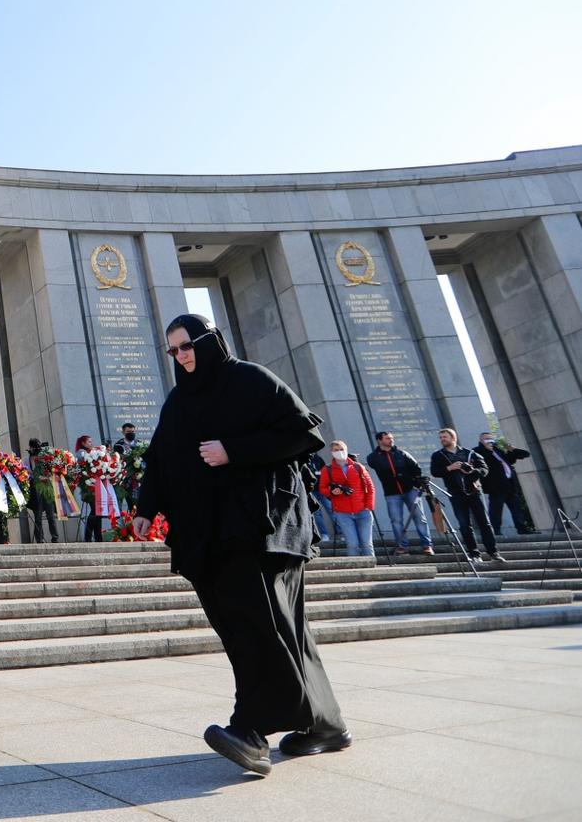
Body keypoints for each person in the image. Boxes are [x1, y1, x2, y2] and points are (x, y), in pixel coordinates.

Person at [134, 313, 348, 776]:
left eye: (186, 346)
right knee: (276, 627)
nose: (181, 356)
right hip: (211, 534)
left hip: (264, 528)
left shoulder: (251, 380)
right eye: (172, 350)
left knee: (254, 624)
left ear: (209, 341)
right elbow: (161, 460)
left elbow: (304, 433)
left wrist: (234, 450)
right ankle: (327, 725)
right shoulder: (179, 401)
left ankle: (251, 730)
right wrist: (144, 508)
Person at [431, 428, 503, 562]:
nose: (442, 440)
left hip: (474, 491)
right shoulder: (438, 455)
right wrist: (449, 468)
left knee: (485, 523)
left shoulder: (469, 453)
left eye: (445, 437)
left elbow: (484, 469)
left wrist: (472, 471)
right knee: (464, 524)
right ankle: (474, 554)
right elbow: (434, 472)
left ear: (453, 438)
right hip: (455, 492)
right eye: (441, 437)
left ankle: (493, 552)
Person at [365, 431, 434, 556]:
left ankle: (427, 545)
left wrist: (417, 483)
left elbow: (416, 467)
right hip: (391, 493)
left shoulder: (402, 454)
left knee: (420, 518)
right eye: (387, 438)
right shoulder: (374, 457)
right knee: (396, 520)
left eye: (392, 438)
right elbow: (374, 464)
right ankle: (402, 546)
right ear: (380, 440)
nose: (391, 440)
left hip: (410, 490)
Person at [318, 442, 375, 557]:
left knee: (367, 544)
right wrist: (332, 492)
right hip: (342, 512)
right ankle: (354, 569)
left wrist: (369, 505)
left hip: (363, 510)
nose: (339, 451)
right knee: (352, 544)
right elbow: (322, 489)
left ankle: (371, 571)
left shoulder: (358, 467)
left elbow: (370, 487)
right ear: (332, 452)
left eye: (341, 449)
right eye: (336, 450)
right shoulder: (327, 469)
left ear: (346, 449)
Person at [475, 432, 530, 536]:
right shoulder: (478, 451)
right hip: (495, 486)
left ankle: (522, 528)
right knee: (496, 510)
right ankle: (495, 530)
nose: (489, 441)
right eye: (487, 439)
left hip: (510, 484)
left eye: (491, 439)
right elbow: (480, 464)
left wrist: (511, 450)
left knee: (516, 508)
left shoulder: (498, 450)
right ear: (481, 440)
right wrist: (487, 450)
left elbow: (516, 458)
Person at [25, 438, 60, 544]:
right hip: (36, 488)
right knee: (38, 517)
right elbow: (27, 473)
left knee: (51, 515)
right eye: (34, 447)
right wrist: (37, 477)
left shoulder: (45, 456)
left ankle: (55, 538)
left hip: (46, 488)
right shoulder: (27, 459)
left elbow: (52, 469)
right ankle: (39, 540)